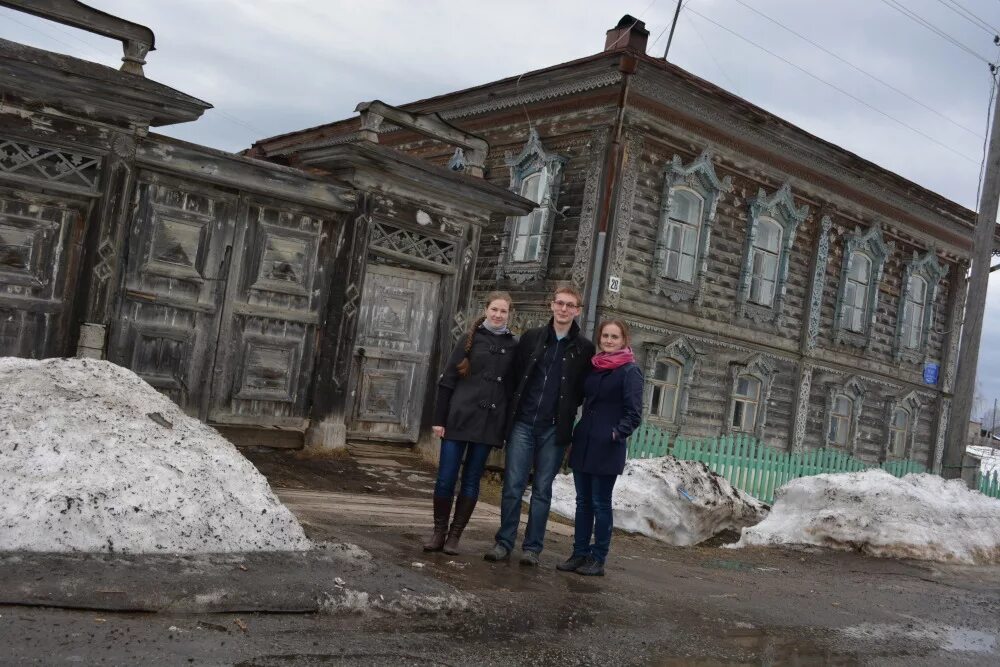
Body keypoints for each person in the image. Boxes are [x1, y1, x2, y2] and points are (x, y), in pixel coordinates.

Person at [484, 285, 595, 566]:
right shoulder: (532, 338)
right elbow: (515, 377)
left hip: (554, 429)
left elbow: (583, 388)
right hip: (523, 422)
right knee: (513, 486)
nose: (564, 309)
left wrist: (567, 411)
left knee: (543, 489)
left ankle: (532, 548)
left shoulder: (584, 348)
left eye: (570, 305)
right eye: (560, 303)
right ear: (552, 305)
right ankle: (503, 542)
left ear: (577, 311)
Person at [424, 291, 517, 555]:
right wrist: (439, 419)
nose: (498, 315)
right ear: (486, 310)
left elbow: (511, 390)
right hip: (459, 418)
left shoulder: (514, 345)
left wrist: (505, 427)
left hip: (489, 422)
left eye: (504, 311)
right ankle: (438, 532)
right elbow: (448, 380)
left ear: (510, 314)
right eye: (494, 309)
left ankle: (455, 536)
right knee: (446, 477)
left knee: (472, 479)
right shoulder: (469, 339)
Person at [556, 319, 643, 577]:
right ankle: (579, 553)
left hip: (607, 445)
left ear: (624, 340)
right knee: (582, 503)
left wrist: (615, 433)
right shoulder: (595, 367)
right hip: (584, 441)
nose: (608, 340)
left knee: (600, 503)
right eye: (605, 335)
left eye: (614, 336)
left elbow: (634, 413)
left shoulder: (629, 371)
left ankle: (598, 558)